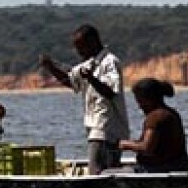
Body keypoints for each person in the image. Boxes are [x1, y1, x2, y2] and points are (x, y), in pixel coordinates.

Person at [39, 24, 130, 174]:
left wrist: (91, 78)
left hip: (106, 129)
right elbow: (71, 81)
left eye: (81, 46)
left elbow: (111, 92)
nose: (78, 51)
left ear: (93, 42)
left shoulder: (110, 62)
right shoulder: (89, 64)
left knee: (96, 171)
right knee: (105, 169)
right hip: (94, 127)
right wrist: (51, 67)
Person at [120, 78, 188, 172]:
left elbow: (146, 148)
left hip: (158, 168)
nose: (139, 106)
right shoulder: (171, 113)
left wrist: (124, 145)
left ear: (149, 99)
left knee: (106, 173)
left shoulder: (155, 117)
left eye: (140, 101)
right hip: (178, 165)